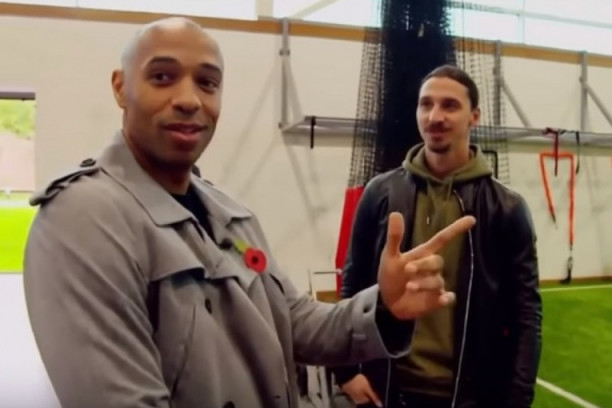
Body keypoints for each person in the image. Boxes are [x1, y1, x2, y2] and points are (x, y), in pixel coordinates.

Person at [22, 19, 476, 408]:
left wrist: (385, 307)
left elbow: (295, 320)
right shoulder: (83, 221)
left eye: (207, 83)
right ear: (121, 87)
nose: (189, 99)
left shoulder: (228, 213)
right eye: (162, 77)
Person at [331, 64, 542, 408]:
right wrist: (345, 373)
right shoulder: (380, 193)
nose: (434, 116)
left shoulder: (507, 208)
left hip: (470, 397)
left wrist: (517, 401)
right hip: (385, 390)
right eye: (426, 104)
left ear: (474, 117)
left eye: (449, 105)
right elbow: (351, 286)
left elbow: (526, 316)